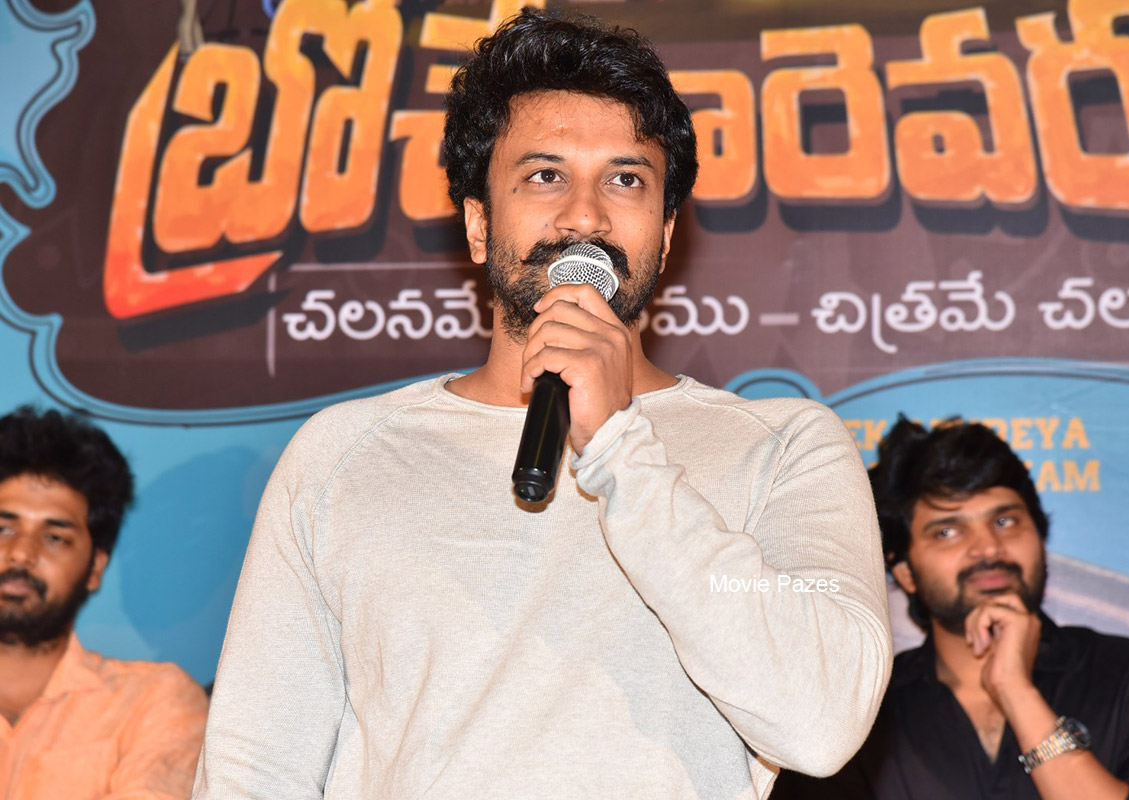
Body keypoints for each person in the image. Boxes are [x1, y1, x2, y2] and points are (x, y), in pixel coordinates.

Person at [193, 9, 890, 799]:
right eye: (545, 176)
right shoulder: (344, 455)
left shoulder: (783, 448)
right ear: (479, 223)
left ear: (666, 232)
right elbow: (255, 770)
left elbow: (822, 722)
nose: (585, 216)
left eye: (625, 179)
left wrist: (621, 446)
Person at [772, 416, 1129, 800]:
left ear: (1040, 538)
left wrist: (1017, 692)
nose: (988, 548)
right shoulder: (858, 717)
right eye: (947, 531)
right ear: (904, 572)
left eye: (1004, 521)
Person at [0, 406, 209, 799]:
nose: (21, 554)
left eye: (54, 537)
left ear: (95, 567)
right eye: (3, 528)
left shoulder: (153, 701)